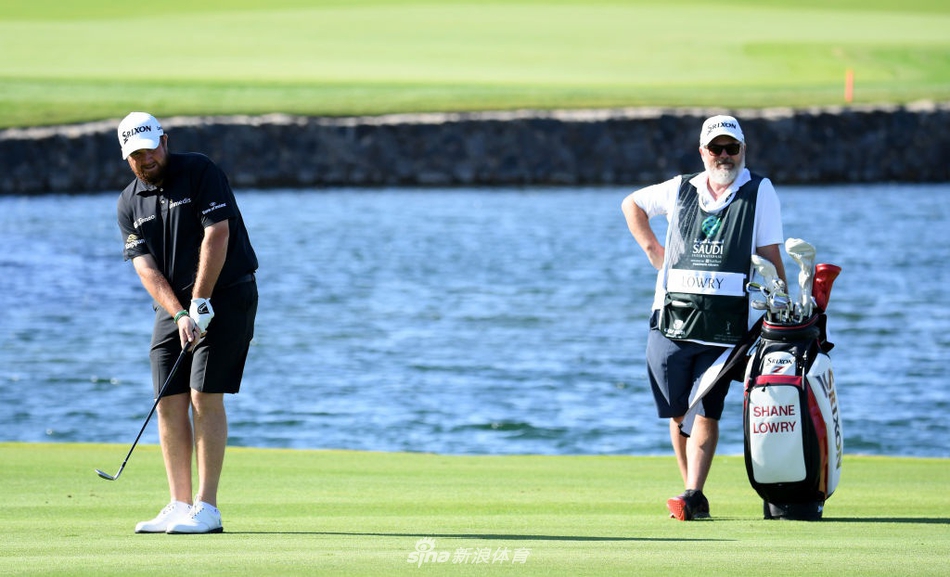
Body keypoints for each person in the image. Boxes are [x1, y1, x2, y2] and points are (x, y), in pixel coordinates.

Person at [620, 115, 786, 521]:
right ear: (703, 152)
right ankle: (691, 492)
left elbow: (770, 255)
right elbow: (633, 204)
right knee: (679, 413)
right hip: (671, 320)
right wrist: (652, 251)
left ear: (743, 151)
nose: (724, 156)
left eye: (732, 148)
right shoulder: (681, 188)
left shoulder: (759, 191)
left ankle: (693, 491)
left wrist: (782, 302)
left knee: (707, 407)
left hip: (726, 329)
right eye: (717, 149)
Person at [116, 112, 259, 534]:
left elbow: (218, 234)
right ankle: (178, 503)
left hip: (227, 294)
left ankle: (207, 508)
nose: (146, 160)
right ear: (127, 158)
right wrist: (180, 312)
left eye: (150, 149)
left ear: (165, 140)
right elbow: (145, 267)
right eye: (136, 155)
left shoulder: (199, 171)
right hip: (174, 305)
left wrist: (200, 301)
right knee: (168, 397)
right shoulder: (128, 203)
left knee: (202, 394)